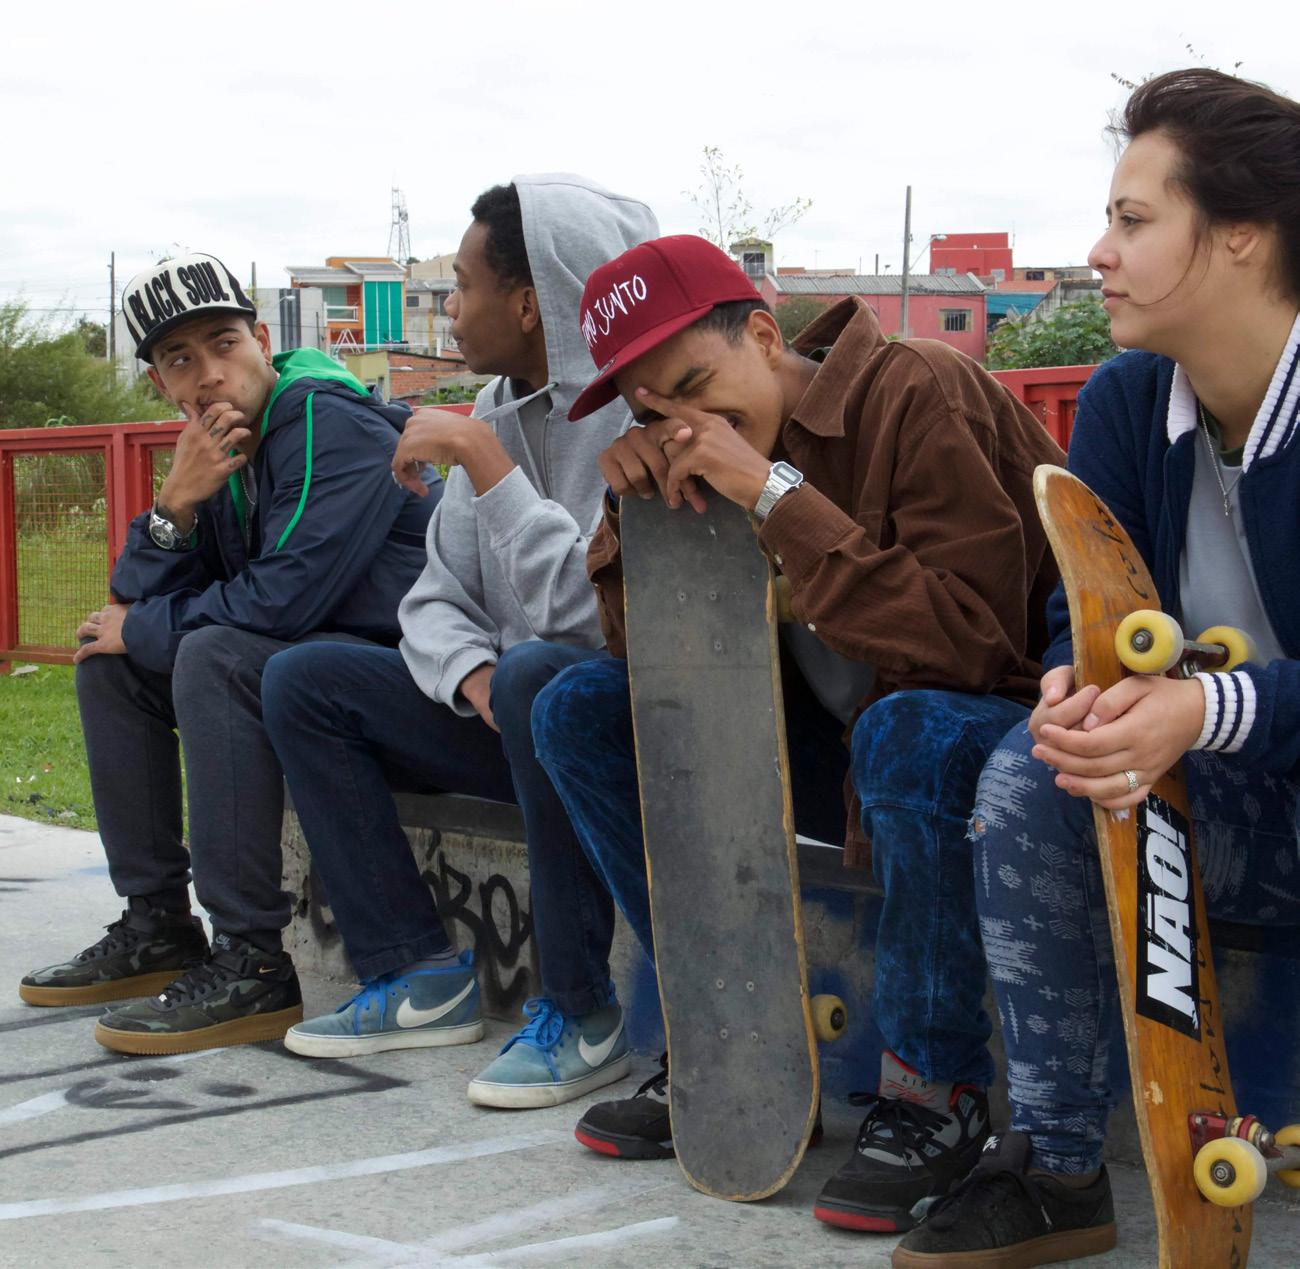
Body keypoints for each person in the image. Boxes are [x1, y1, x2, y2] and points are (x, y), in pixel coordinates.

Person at [531, 234, 1065, 1231]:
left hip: (1006, 744)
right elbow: (649, 666)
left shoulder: (916, 388)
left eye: (695, 386)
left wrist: (775, 494)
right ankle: (730, 1046)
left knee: (908, 729)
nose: (683, 424)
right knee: (575, 709)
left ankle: (936, 1092)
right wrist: (634, 518)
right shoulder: (694, 454)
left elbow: (969, 643)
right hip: (846, 752)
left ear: (766, 336)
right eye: (651, 410)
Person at [893, 69, 1300, 1268]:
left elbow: (1198, 703)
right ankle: (1059, 1167)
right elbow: (1092, 607)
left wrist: (1200, 708)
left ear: (1241, 232)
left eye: (1132, 219)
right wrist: (1081, 688)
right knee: (1034, 772)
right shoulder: (1129, 400)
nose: (1099, 252)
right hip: (1245, 808)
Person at [259, 175, 658, 1108]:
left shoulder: (641, 415)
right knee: (303, 680)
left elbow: (593, 615)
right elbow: (433, 599)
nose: (448, 308)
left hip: (613, 732)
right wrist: (474, 676)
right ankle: (416, 973)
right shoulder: (493, 406)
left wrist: (486, 463)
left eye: (464, 286)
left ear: (530, 302)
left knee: (539, 675)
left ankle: (582, 1010)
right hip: (505, 714)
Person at [19, 253, 437, 1055]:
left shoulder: (327, 420)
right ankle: (158, 923)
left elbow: (282, 603)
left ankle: (252, 959)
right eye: (181, 359)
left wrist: (147, 626)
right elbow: (131, 602)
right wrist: (175, 503)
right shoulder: (221, 454)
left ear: (262, 341)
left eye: (224, 343)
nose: (210, 373)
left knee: (213, 655)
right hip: (318, 684)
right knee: (111, 662)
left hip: (420, 690)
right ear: (159, 385)